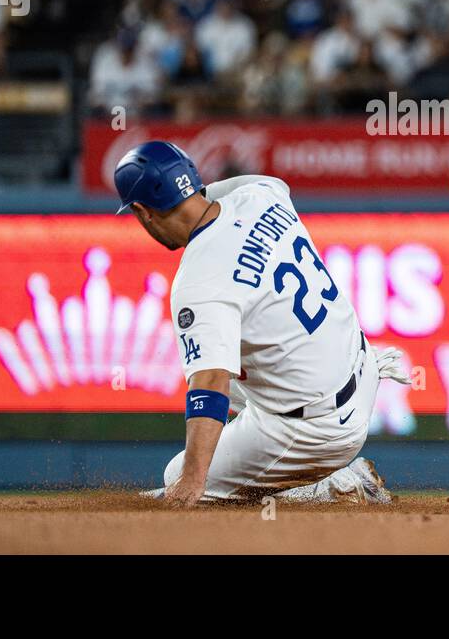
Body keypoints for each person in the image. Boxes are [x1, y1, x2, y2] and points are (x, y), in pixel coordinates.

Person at [116, 141, 407, 504]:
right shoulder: (263, 194)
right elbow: (239, 189)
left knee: (181, 470)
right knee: (220, 355)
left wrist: (192, 482)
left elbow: (209, 388)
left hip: (320, 430)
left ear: (142, 211)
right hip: (362, 369)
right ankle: (290, 462)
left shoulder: (199, 282)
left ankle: (335, 485)